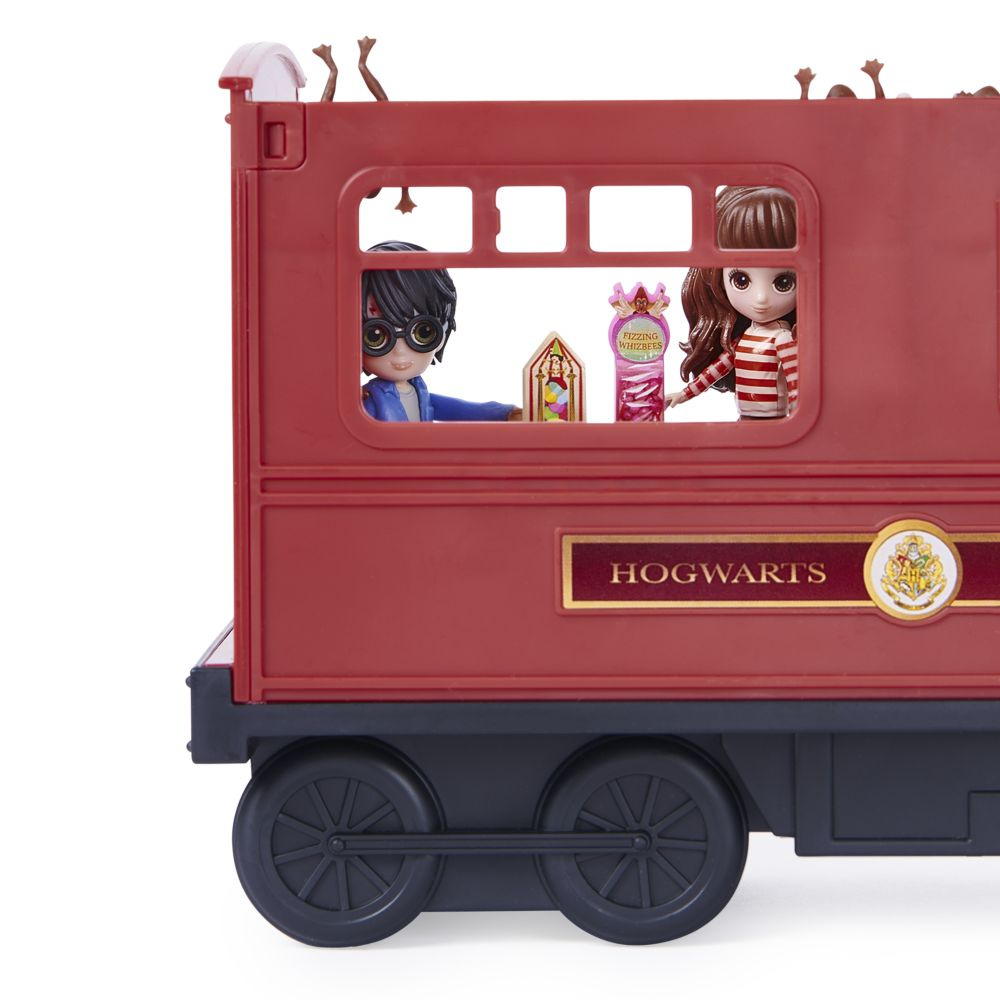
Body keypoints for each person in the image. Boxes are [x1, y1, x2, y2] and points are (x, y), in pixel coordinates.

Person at [666, 187, 798, 420]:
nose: (761, 298)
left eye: (783, 282)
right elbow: (715, 371)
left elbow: (795, 380)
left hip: (777, 422)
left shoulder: (783, 339)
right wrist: (683, 394)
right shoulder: (742, 340)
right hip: (745, 418)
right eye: (741, 280)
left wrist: (798, 416)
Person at [361, 240, 520, 422]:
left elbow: (458, 409)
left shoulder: (417, 389)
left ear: (442, 331)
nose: (400, 351)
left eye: (423, 333)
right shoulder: (369, 401)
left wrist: (503, 413)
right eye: (375, 337)